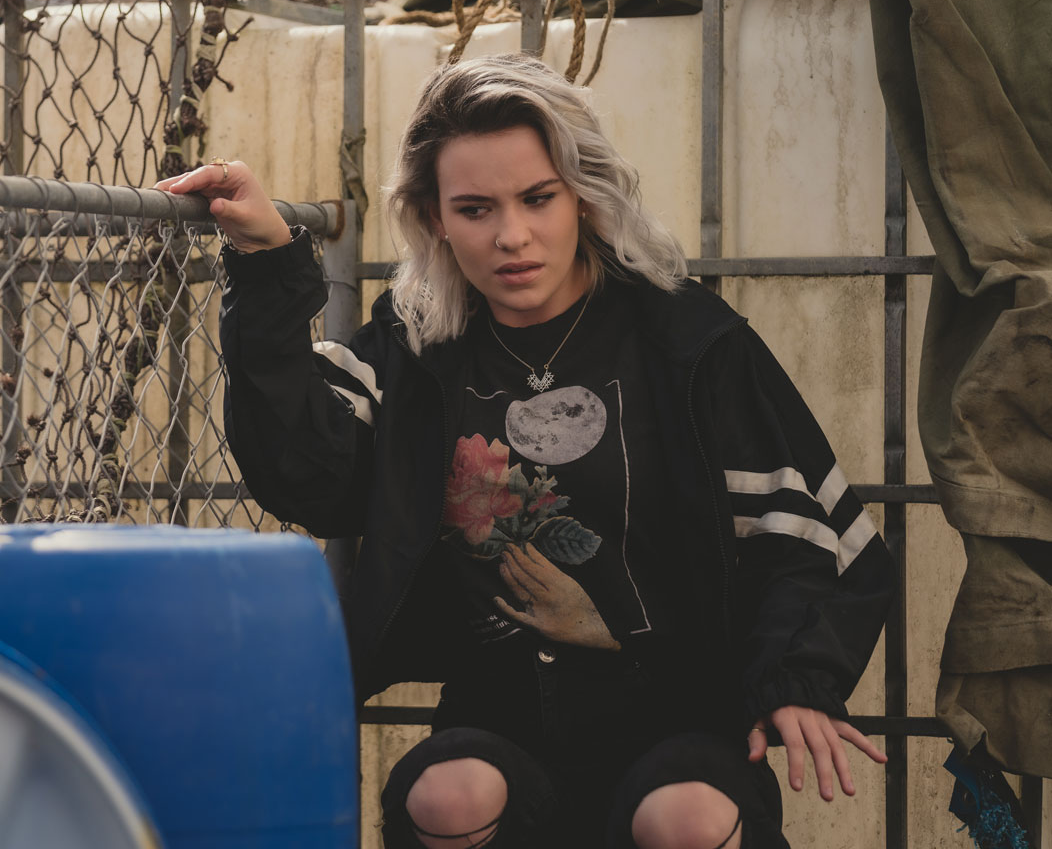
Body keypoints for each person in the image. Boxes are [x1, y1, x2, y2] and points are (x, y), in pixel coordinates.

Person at [155, 52, 894, 849]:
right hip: (496, 721)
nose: (512, 237)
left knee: (687, 821)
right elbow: (305, 474)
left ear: (584, 194)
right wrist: (267, 261)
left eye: (538, 198)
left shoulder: (689, 343)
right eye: (475, 209)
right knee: (448, 798)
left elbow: (805, 537)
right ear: (435, 218)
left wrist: (796, 677)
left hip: (681, 723)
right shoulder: (418, 350)